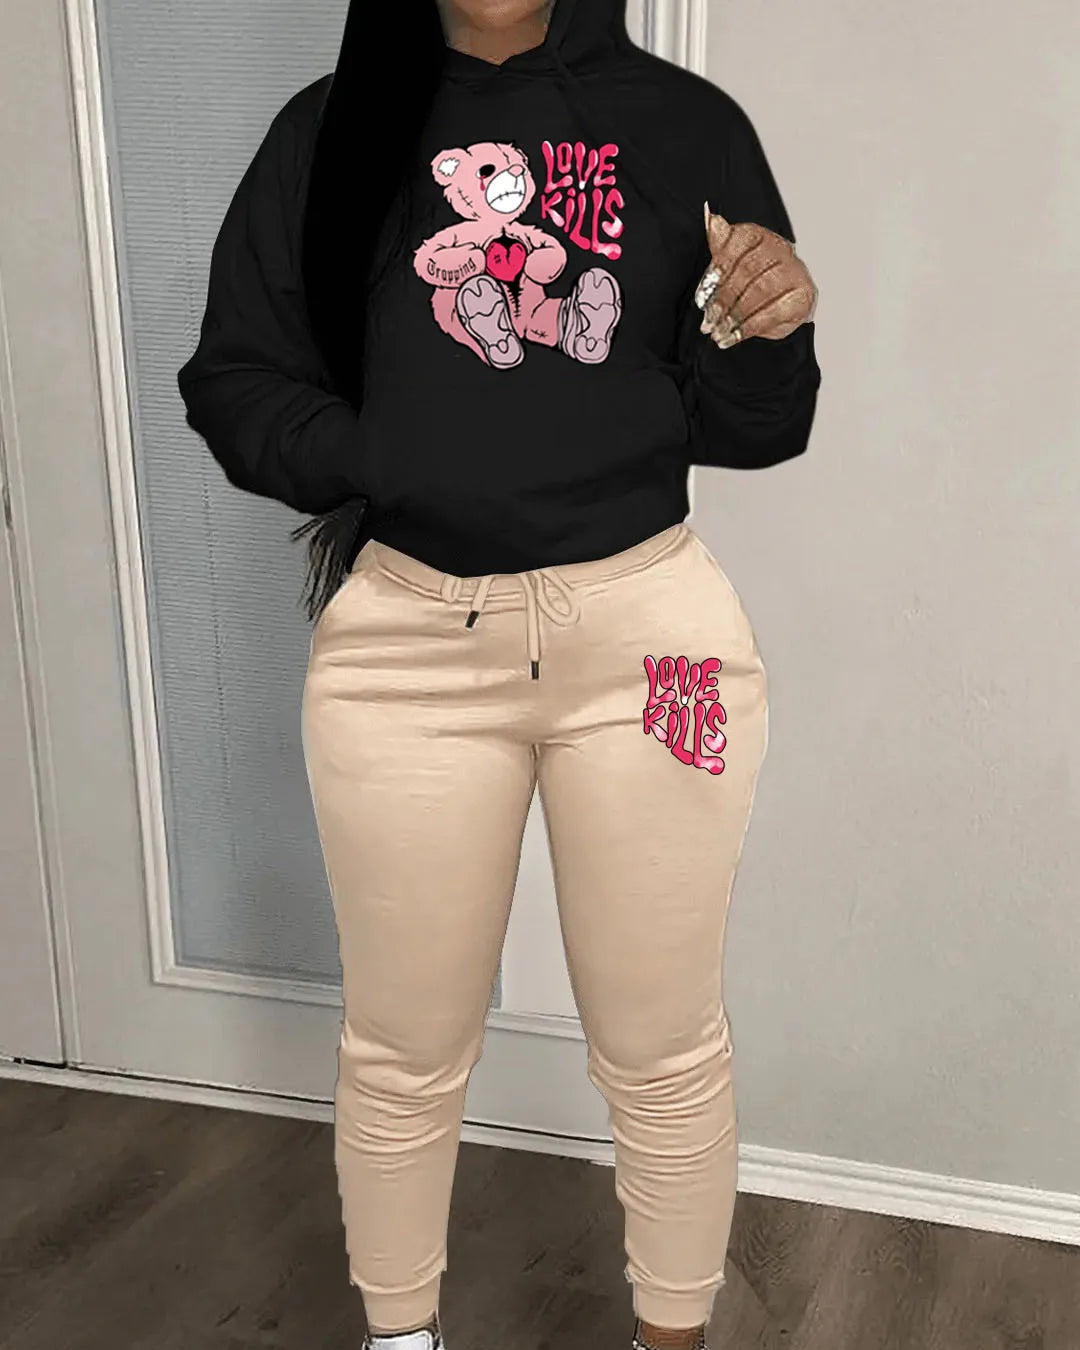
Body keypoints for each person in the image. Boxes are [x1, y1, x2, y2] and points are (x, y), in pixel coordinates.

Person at [177, 2, 821, 1349]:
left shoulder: (685, 128)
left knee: (663, 1041)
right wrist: (388, 457)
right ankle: (402, 1336)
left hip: (651, 640)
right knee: (402, 1049)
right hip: (406, 647)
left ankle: (673, 1339)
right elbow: (235, 377)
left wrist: (771, 326)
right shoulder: (329, 137)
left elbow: (757, 424)